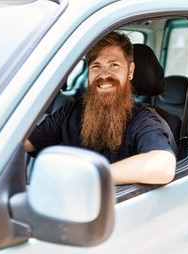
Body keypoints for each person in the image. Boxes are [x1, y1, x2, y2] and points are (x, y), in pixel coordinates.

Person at [24, 31, 176, 185]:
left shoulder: (142, 119)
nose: (104, 75)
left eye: (114, 65)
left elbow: (162, 166)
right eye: (96, 66)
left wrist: (89, 177)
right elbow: (25, 142)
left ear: (130, 71)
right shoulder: (72, 111)